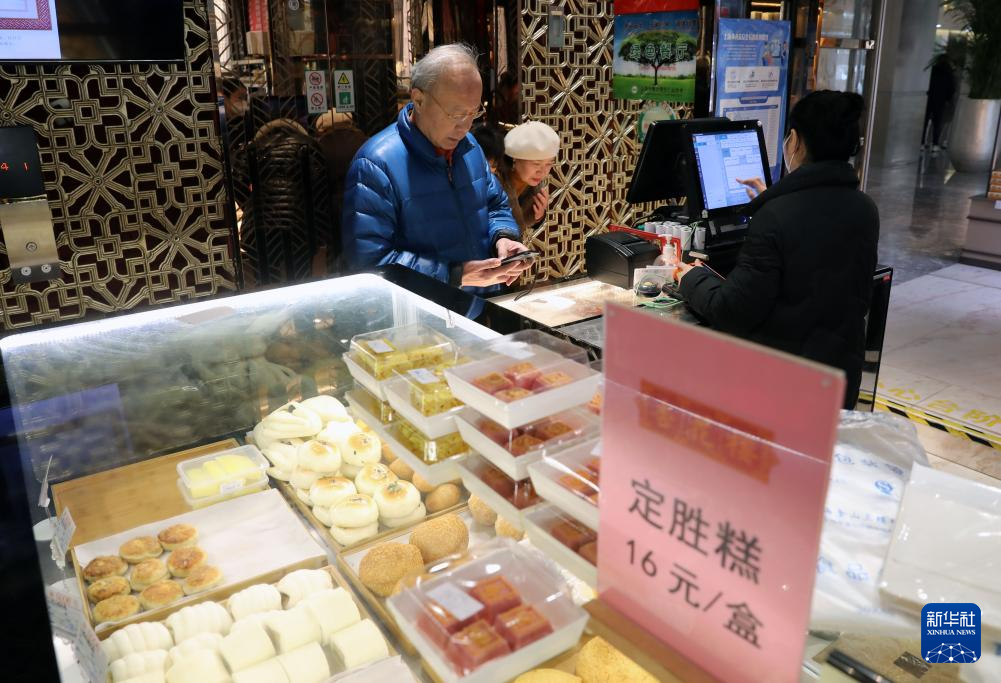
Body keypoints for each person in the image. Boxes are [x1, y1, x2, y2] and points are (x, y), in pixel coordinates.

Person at [673, 90, 879, 409]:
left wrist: (690, 278)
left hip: (783, 387)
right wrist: (773, 199)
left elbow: (733, 311)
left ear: (794, 141)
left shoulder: (776, 217)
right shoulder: (865, 208)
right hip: (839, 380)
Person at [341, 43, 531, 290]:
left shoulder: (469, 147)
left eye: (474, 113)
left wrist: (503, 237)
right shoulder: (375, 164)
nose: (465, 126)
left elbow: (495, 205)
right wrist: (454, 275)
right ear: (418, 99)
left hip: (481, 302)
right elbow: (370, 263)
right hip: (420, 310)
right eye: (456, 114)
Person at [923, 53, 956, 152]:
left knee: (925, 122)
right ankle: (935, 144)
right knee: (937, 123)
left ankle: (922, 143)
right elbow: (952, 89)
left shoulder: (933, 70)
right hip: (941, 100)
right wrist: (948, 99)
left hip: (930, 98)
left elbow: (928, 83)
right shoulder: (949, 73)